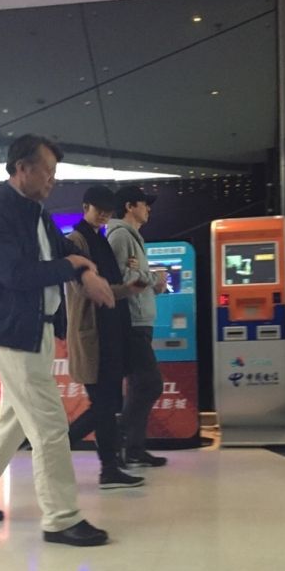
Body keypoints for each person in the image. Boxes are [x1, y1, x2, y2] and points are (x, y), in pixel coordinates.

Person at [0, 134, 115, 547]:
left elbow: (64, 251)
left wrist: (83, 268)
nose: (53, 180)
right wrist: (73, 265)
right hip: (11, 331)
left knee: (15, 419)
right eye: (48, 171)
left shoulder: (36, 213)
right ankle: (61, 518)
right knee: (49, 425)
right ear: (22, 168)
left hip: (35, 328)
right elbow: (16, 274)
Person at [66, 186, 145, 489]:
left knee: (108, 403)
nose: (103, 215)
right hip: (94, 334)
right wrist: (125, 290)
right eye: (99, 209)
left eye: (108, 211)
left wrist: (128, 288)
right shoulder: (76, 241)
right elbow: (86, 289)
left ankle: (108, 467)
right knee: (103, 404)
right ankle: (67, 449)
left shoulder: (99, 239)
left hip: (109, 332)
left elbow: (106, 285)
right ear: (85, 207)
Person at [107, 185, 168, 468]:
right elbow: (123, 279)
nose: (148, 209)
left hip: (140, 320)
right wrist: (154, 278)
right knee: (150, 383)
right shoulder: (121, 236)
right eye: (144, 203)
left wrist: (146, 277)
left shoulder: (132, 236)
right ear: (130, 206)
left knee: (138, 385)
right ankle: (117, 438)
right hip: (132, 321)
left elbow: (134, 276)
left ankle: (133, 448)